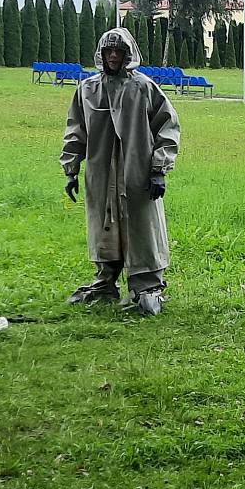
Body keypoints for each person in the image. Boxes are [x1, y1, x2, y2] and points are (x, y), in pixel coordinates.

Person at [62, 27, 182, 316]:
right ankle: (106, 280)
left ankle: (148, 285)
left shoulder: (143, 88)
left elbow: (168, 126)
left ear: (128, 54)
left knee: (143, 227)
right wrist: (71, 168)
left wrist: (159, 169)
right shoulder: (87, 90)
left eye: (119, 51)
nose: (113, 56)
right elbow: (76, 129)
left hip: (137, 172)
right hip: (101, 173)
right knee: (104, 225)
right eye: (108, 51)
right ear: (101, 54)